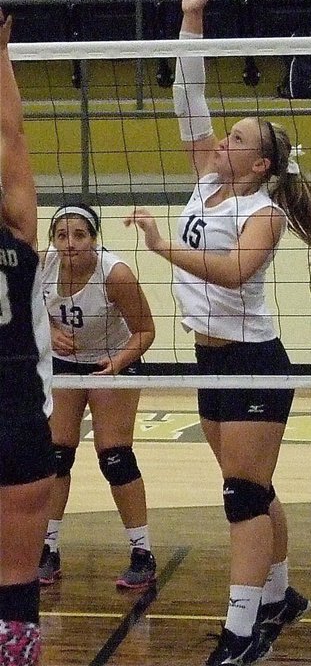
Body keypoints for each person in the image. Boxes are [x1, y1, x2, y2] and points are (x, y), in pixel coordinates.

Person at [125, 0, 311, 666]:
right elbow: (189, 94)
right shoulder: (209, 185)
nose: (222, 141)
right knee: (251, 487)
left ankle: (243, 634)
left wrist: (159, 246)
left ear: (261, 163)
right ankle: (280, 597)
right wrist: (191, 15)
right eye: (227, 134)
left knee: (242, 497)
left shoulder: (262, 211)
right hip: (212, 358)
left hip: (252, 361)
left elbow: (237, 269)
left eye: (238, 139)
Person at [38, 203, 156, 590]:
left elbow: (145, 331)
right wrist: (47, 334)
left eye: (79, 235)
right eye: (61, 235)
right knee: (56, 453)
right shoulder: (41, 267)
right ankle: (47, 548)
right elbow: (24, 315)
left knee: (115, 456)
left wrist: (116, 361)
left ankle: (142, 551)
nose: (69, 244)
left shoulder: (115, 274)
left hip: (114, 359)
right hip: (64, 363)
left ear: (93, 238)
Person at [0, 9, 55, 665]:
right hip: (18, 421)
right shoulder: (18, 238)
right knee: (15, 590)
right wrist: (2, 54)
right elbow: (11, 136)